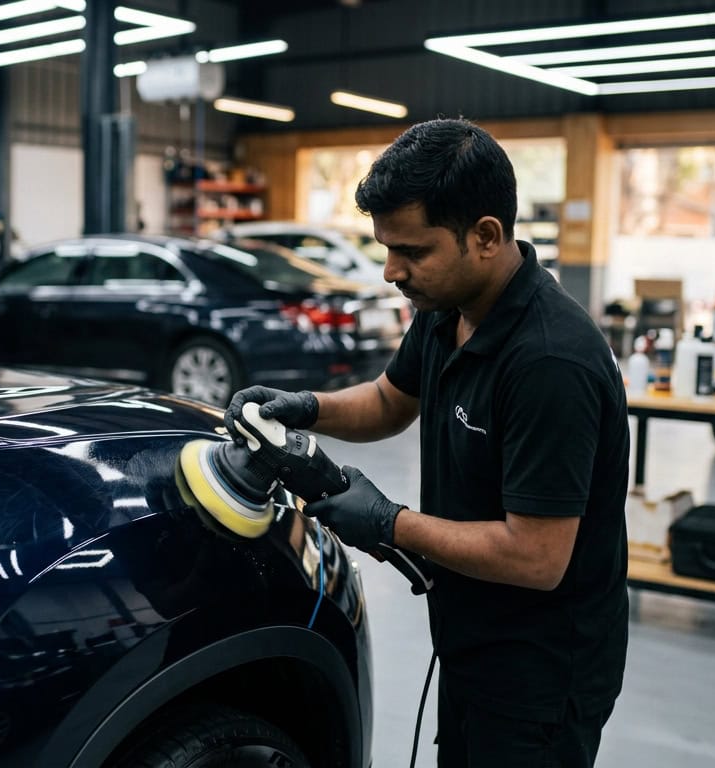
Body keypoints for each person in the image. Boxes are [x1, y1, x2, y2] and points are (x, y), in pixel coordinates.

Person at [224, 118, 629, 767]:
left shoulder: (552, 363)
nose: (391, 271)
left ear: (486, 236)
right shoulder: (449, 309)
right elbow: (390, 401)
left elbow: (537, 556)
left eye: (411, 251)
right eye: (386, 248)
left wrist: (392, 524)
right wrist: (306, 408)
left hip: (541, 675)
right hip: (473, 639)